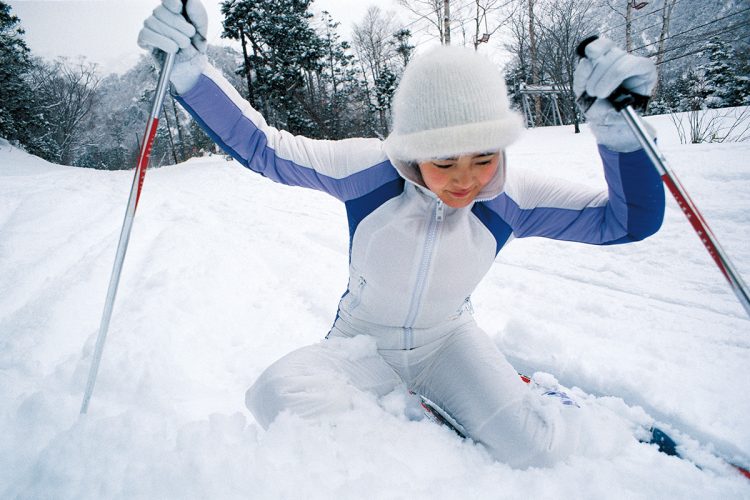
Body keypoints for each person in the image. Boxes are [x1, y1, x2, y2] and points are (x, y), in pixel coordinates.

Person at [138, 0, 664, 468]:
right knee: (278, 393)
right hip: (362, 345)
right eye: (444, 161)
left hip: (448, 343)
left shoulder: (512, 197)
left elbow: (625, 221)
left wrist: (621, 138)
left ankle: (523, 404)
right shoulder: (366, 170)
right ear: (412, 150)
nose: (465, 180)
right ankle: (399, 413)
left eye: (484, 157)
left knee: (536, 450)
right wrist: (190, 71)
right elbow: (263, 148)